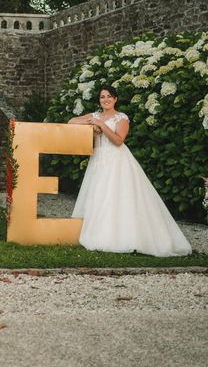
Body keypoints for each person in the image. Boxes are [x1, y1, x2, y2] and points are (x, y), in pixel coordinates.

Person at [68, 85, 191, 257]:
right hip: (99, 160)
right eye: (102, 97)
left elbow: (118, 140)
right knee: (100, 196)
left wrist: (102, 125)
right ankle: (100, 233)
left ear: (115, 99)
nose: (106, 100)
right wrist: (92, 123)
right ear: (99, 100)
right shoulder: (95, 116)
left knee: (118, 197)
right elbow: (72, 121)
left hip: (117, 160)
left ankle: (124, 236)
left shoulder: (121, 118)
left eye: (109, 96)